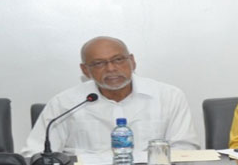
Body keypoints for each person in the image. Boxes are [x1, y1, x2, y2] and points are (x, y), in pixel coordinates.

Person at [21, 36, 199, 156]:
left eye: (118, 60)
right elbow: (35, 153)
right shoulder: (65, 103)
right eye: (99, 63)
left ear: (132, 61)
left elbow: (185, 150)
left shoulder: (169, 96)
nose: (111, 68)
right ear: (85, 70)